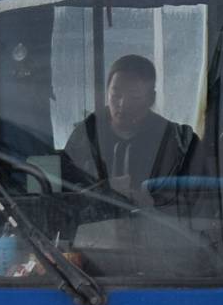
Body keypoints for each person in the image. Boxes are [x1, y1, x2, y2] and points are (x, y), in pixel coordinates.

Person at [62, 54, 200, 203]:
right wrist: (104, 189)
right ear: (107, 93)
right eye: (115, 95)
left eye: (134, 97)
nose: (122, 104)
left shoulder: (177, 142)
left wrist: (154, 201)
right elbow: (63, 193)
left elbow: (198, 198)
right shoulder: (85, 137)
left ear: (151, 98)